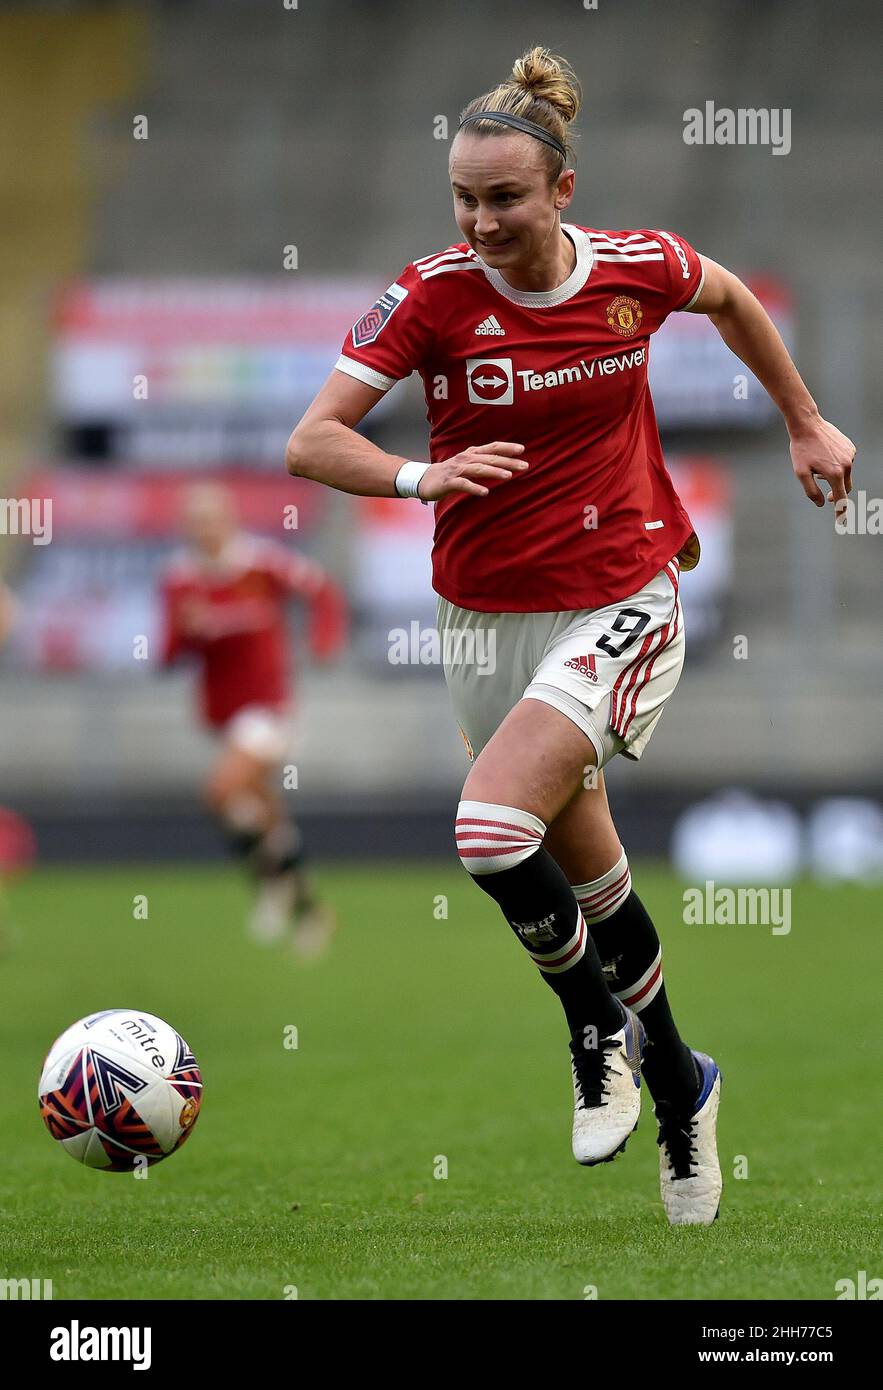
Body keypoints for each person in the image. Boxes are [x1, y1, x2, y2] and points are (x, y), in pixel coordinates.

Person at [285, 48, 854, 1222]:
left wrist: (804, 421)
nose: (481, 220)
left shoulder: (634, 271)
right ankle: (682, 1078)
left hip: (623, 594)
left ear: (561, 192)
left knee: (491, 830)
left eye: (504, 197)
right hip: (486, 615)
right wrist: (418, 472)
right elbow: (312, 440)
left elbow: (733, 297)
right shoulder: (432, 294)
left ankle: (592, 1028)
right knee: (588, 876)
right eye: (464, 198)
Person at [159, 482, 348, 956]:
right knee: (260, 815)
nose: (205, 530)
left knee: (222, 791)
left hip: (270, 707)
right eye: (196, 522)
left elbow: (322, 590)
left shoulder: (262, 564)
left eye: (212, 519)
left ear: (230, 520)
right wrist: (188, 633)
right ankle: (309, 907)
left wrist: (324, 641)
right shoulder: (180, 579)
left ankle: (270, 889)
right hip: (222, 713)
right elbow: (167, 653)